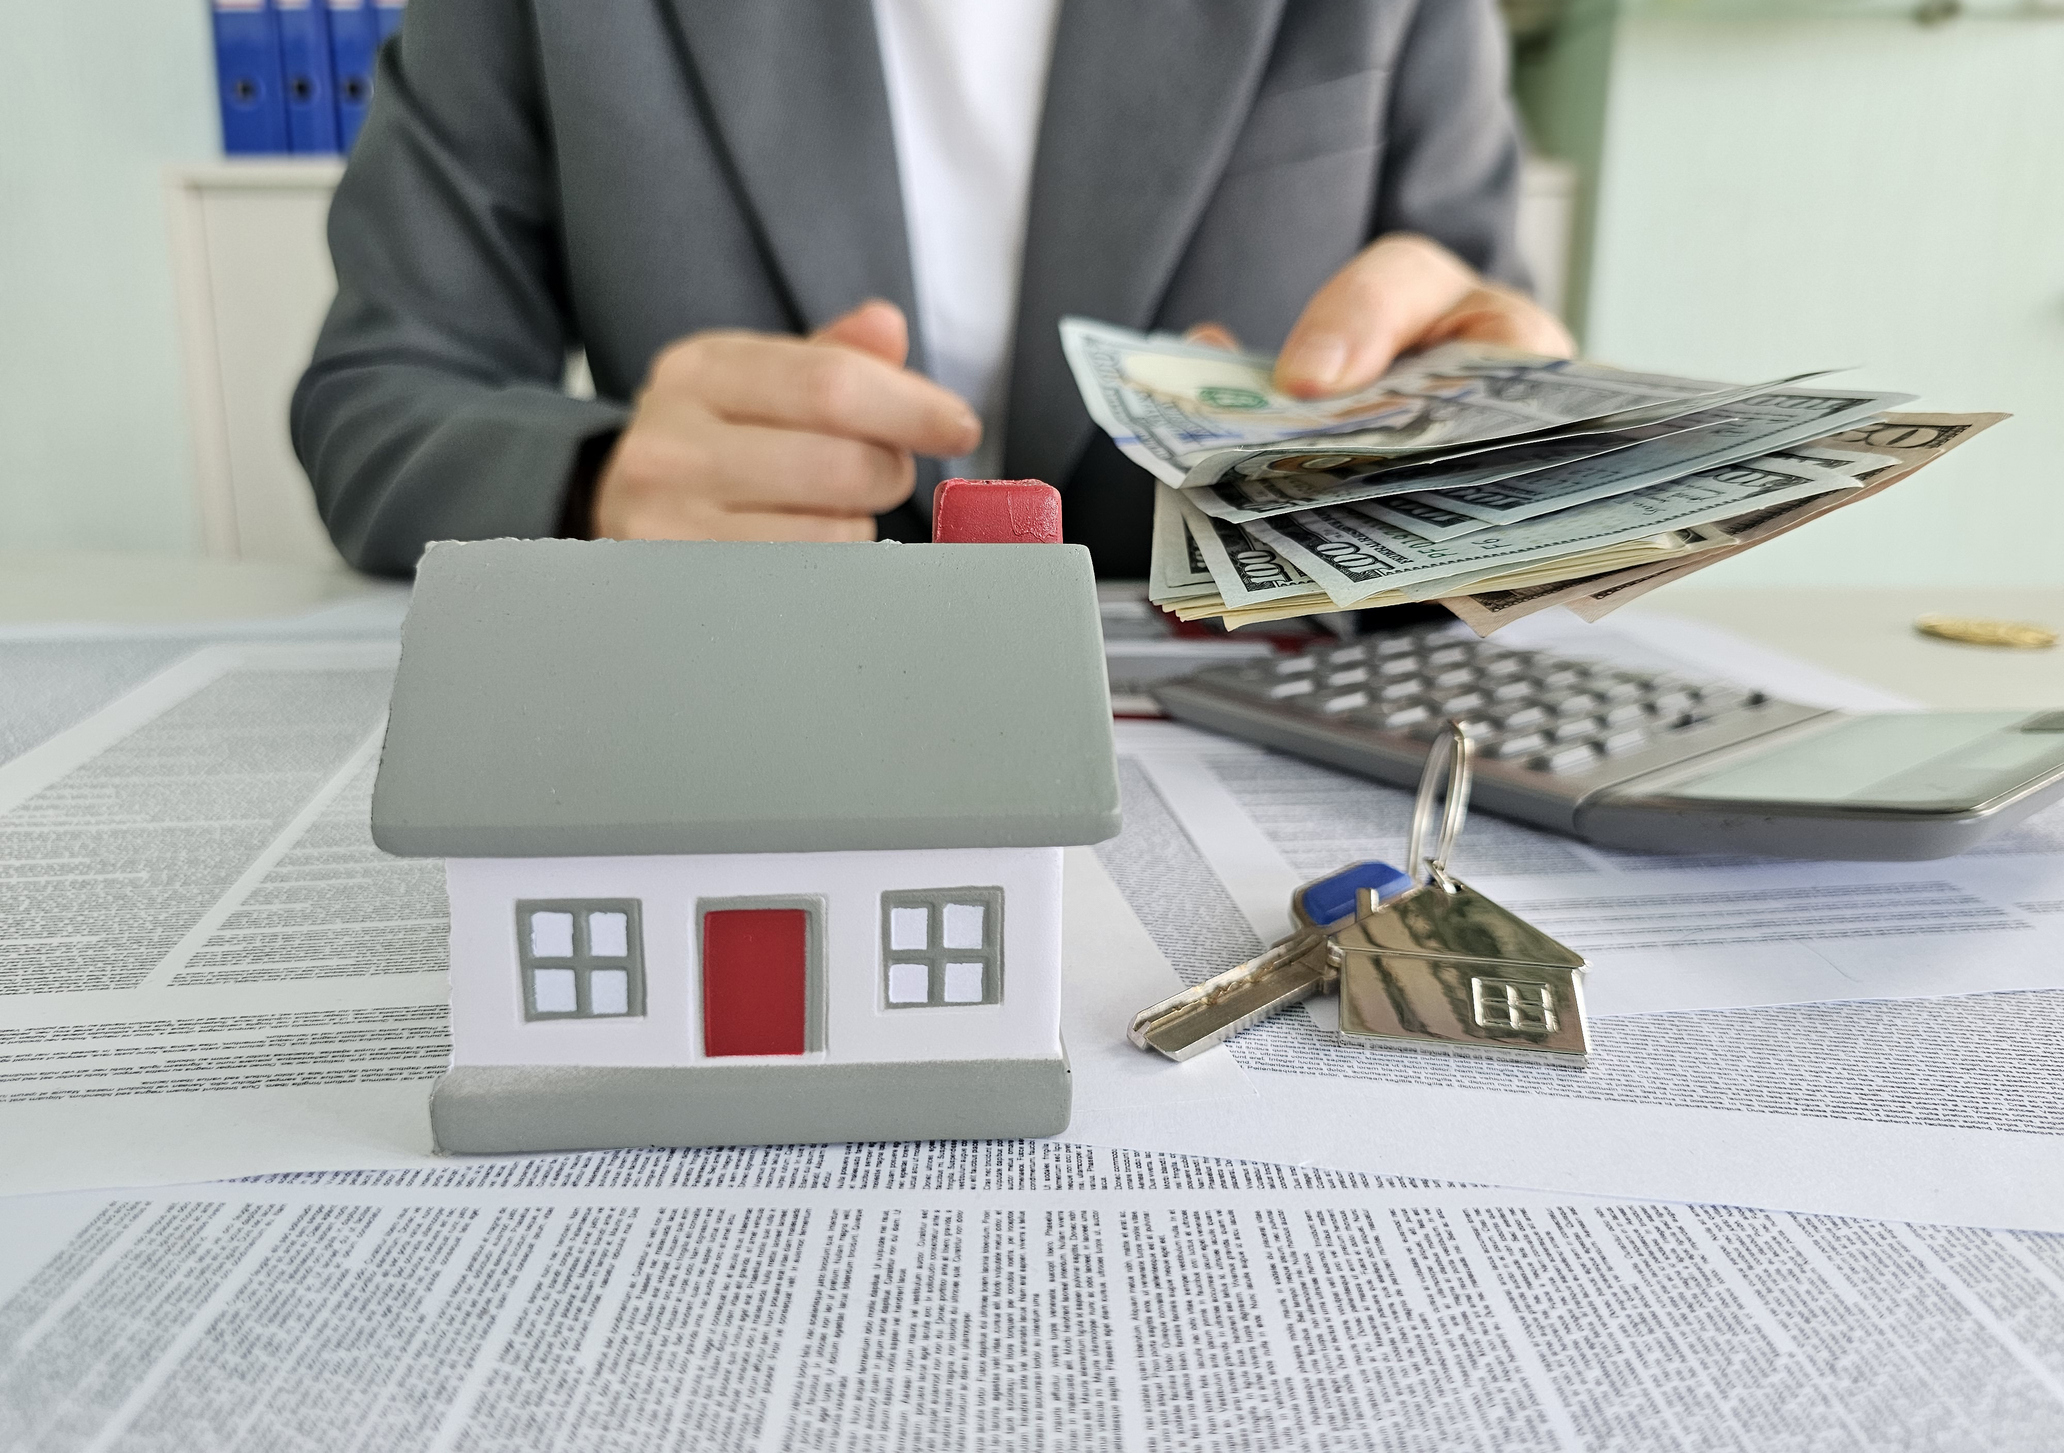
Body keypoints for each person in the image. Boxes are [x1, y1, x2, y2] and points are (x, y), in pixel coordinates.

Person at [292, 0, 1573, 578]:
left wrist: (1498, 444)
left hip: (1257, 751)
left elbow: (1491, 371)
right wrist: (596, 483)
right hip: (752, 722)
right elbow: (378, 398)